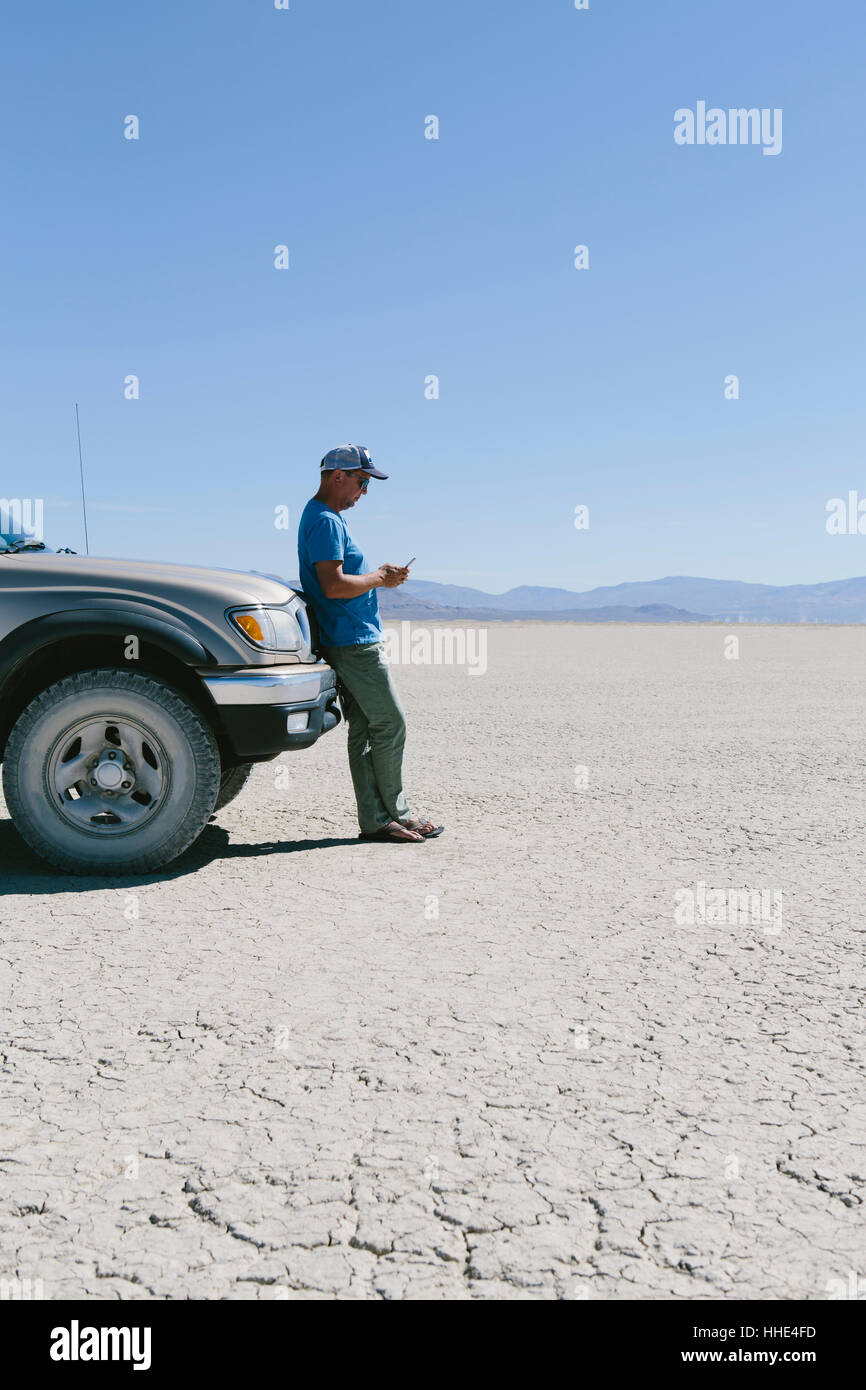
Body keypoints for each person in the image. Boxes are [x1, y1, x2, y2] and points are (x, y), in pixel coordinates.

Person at [297, 444, 444, 844]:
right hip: (353, 641)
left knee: (365, 729)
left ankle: (378, 821)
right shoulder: (326, 520)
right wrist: (381, 577)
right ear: (337, 476)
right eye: (362, 482)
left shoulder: (324, 517)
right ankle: (397, 814)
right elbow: (332, 584)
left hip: (347, 638)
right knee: (391, 723)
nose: (363, 492)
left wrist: (381, 576)